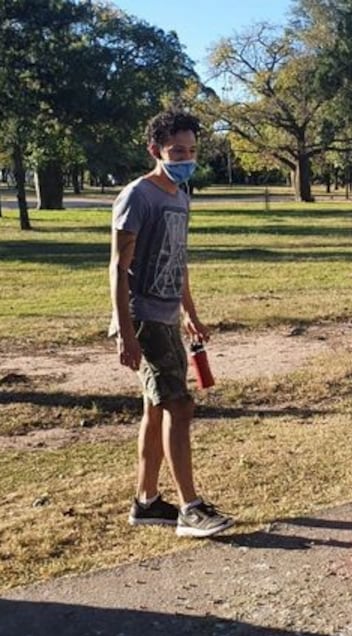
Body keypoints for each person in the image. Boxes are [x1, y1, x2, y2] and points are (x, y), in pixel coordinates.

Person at [109, 108, 233, 537]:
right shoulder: (138, 196)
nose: (186, 158)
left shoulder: (181, 196)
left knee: (156, 406)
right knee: (180, 406)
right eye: (177, 151)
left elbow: (178, 261)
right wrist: (126, 332)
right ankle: (190, 509)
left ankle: (146, 503)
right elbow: (117, 267)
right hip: (143, 316)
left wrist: (190, 313)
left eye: (192, 151)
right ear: (155, 150)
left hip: (167, 316)